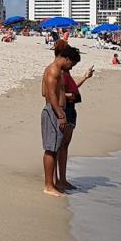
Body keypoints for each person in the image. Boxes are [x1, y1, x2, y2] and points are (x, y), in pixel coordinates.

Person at [52, 41, 93, 193]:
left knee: (64, 146)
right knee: (59, 146)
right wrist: (69, 96)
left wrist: (85, 77)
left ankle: (62, 179)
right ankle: (57, 180)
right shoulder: (58, 71)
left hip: (70, 109)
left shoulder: (65, 71)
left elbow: (71, 87)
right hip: (65, 110)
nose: (71, 65)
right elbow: (54, 92)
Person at [40, 43, 75, 197]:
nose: (71, 67)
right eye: (72, 64)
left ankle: (52, 183)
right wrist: (61, 114)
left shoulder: (58, 71)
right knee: (51, 149)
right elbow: (50, 95)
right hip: (53, 112)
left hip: (56, 110)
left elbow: (49, 92)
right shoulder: (53, 70)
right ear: (66, 59)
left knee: (54, 148)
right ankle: (48, 185)